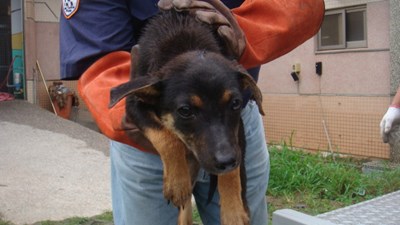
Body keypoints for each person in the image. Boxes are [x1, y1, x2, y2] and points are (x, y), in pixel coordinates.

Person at [60, 0, 324, 224]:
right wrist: (139, 120)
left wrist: (243, 33)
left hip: (235, 116)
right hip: (150, 129)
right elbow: (99, 59)